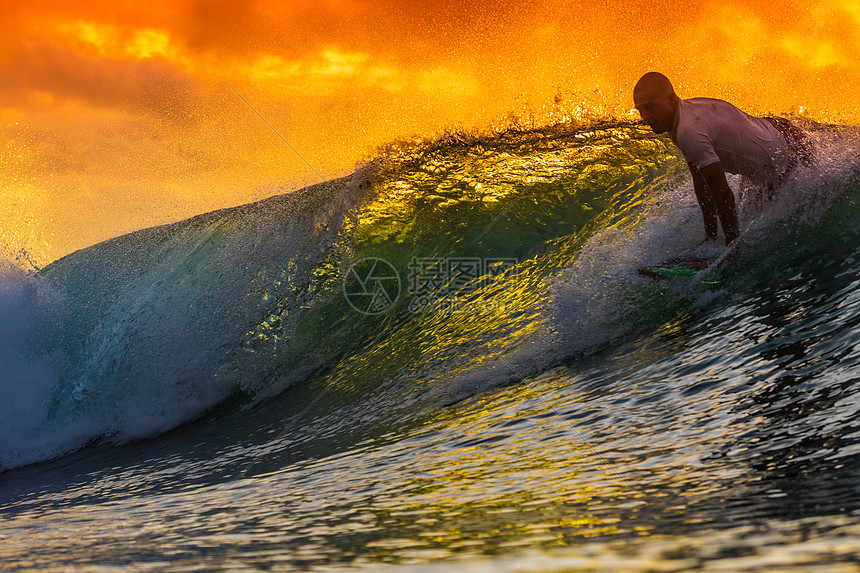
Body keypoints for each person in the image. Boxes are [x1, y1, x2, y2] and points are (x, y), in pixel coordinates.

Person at [633, 72, 811, 246]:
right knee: (749, 209)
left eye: (651, 107)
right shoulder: (678, 118)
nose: (645, 117)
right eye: (640, 110)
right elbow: (701, 183)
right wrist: (710, 238)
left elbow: (723, 193)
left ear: (671, 98)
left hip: (790, 154)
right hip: (780, 129)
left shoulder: (689, 131)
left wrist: (730, 248)